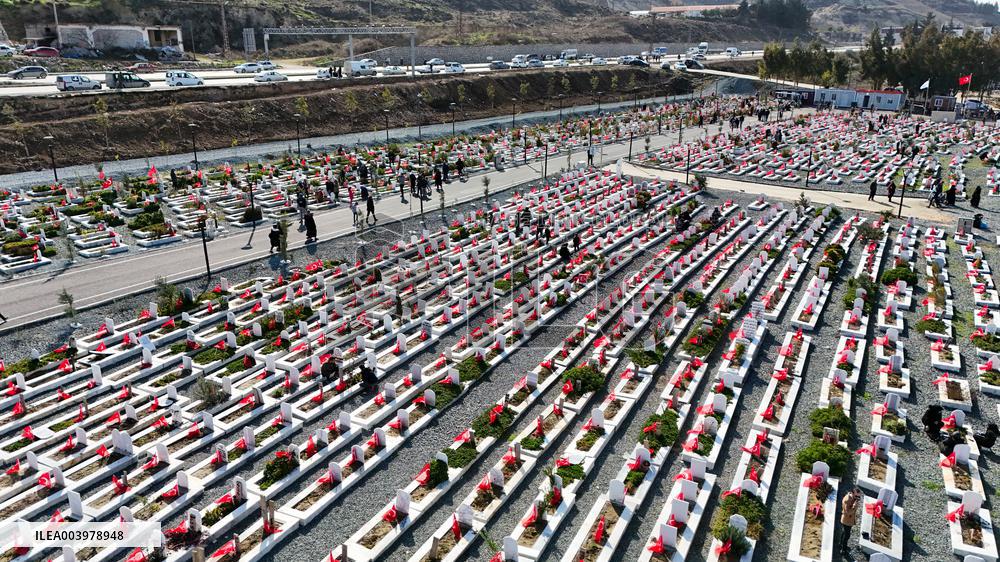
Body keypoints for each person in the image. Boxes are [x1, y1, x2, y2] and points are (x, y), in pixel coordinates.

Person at [840, 487, 861, 554]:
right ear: (852, 493)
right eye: (856, 496)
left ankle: (841, 544)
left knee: (844, 533)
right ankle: (843, 549)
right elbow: (848, 512)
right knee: (847, 535)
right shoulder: (847, 500)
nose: (857, 498)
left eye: (859, 497)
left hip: (849, 520)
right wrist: (855, 506)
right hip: (846, 520)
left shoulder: (853, 498)